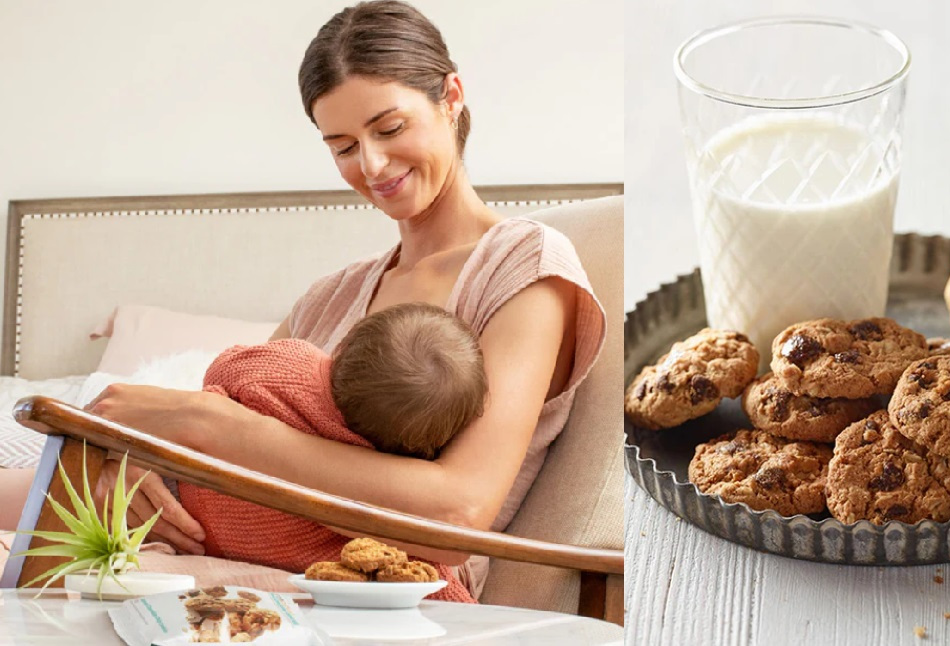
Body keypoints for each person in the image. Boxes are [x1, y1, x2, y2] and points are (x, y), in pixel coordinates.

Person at [81, 0, 606, 600]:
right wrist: (138, 462)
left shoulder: (522, 265)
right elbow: (225, 408)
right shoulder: (330, 296)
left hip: (380, 598)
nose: (373, 165)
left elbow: (457, 514)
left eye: (389, 129)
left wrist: (209, 426)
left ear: (451, 97)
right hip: (223, 559)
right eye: (343, 146)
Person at [175, 303, 486, 602]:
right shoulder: (380, 503)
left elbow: (221, 368)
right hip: (262, 549)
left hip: (193, 508)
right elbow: (438, 588)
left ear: (347, 342)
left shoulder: (286, 363)